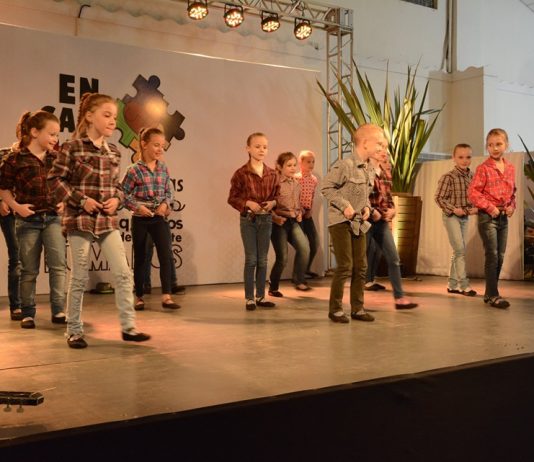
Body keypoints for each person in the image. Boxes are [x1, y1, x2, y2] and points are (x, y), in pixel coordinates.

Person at [47, 92, 150, 348]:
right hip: (80, 219)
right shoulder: (72, 148)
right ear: (90, 116)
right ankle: (74, 330)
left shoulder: (114, 151)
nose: (112, 121)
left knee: (123, 273)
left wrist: (117, 199)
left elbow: (118, 187)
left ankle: (129, 328)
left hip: (106, 220)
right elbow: (55, 180)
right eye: (107, 115)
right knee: (79, 276)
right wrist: (81, 200)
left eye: (114, 116)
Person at [0, 111, 67, 329]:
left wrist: (64, 202)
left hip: (53, 218)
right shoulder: (15, 159)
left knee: (58, 265)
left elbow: (67, 184)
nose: (55, 139)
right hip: (28, 222)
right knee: (28, 269)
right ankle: (27, 312)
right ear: (35, 132)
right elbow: (4, 188)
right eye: (52, 134)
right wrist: (16, 207)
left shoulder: (57, 158)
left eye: (57, 135)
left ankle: (59, 309)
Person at [321, 123, 380, 323]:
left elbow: (365, 196)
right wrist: (345, 205)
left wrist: (367, 208)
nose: (381, 148)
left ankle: (357, 308)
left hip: (358, 223)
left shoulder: (369, 169)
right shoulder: (345, 165)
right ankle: (335, 309)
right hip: (340, 222)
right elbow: (326, 187)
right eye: (378, 143)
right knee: (345, 265)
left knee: (361, 266)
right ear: (365, 143)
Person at [121, 127, 179, 311]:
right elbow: (123, 194)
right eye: (156, 145)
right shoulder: (133, 170)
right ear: (144, 144)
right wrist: (138, 207)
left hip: (159, 218)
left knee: (165, 255)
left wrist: (166, 204)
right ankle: (139, 296)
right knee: (141, 257)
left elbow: (169, 191)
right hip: (141, 219)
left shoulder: (163, 168)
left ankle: (167, 296)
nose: (160, 149)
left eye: (162, 145)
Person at [228, 132, 279, 311]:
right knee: (251, 259)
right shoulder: (241, 173)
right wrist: (247, 203)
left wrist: (273, 203)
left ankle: (261, 296)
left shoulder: (272, 174)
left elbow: (278, 196)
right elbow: (232, 198)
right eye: (257, 146)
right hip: (249, 220)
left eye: (265, 147)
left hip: (266, 219)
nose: (261, 150)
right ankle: (249, 298)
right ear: (248, 149)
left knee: (263, 259)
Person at [468, 128, 516, 309]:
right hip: (487, 217)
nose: (494, 148)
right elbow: (473, 193)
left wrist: (511, 206)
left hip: (503, 218)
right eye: (490, 145)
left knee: (500, 256)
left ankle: (489, 293)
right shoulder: (483, 168)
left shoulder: (510, 168)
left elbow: (512, 193)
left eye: (498, 144)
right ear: (486, 147)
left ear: (506, 145)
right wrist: (490, 208)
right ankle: (494, 295)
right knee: (492, 255)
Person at [366, 152, 418, 309]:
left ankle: (399, 298)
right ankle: (357, 303)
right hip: (365, 221)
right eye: (380, 152)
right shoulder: (363, 171)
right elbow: (359, 196)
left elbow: (388, 197)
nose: (385, 158)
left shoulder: (386, 175)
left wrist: (393, 210)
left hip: (381, 222)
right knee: (360, 261)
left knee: (394, 258)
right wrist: (371, 210)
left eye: (387, 157)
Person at [435, 143, 478, 296]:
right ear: (454, 158)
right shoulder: (448, 177)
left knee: (458, 250)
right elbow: (439, 198)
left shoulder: (473, 177)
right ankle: (463, 285)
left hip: (465, 217)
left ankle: (452, 284)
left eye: (468, 157)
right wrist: (454, 209)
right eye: (460, 157)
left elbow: (474, 197)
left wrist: (475, 208)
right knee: (460, 249)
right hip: (451, 217)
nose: (465, 160)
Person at [268, 152, 311, 297]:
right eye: (289, 165)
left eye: (294, 165)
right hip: (279, 223)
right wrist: (276, 217)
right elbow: (268, 205)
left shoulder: (297, 183)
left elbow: (297, 204)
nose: (293, 168)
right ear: (280, 167)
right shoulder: (275, 183)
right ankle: (273, 286)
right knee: (283, 258)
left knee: (304, 248)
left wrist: (299, 212)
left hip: (293, 222)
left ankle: (298, 279)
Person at [0, 147, 22, 321]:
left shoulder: (36, 156)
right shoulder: (5, 153)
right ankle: (16, 305)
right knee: (16, 257)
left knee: (18, 257)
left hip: (18, 211)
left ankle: (18, 305)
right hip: (6, 208)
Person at [295, 150, 320, 279]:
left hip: (307, 215)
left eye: (313, 162)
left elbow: (312, 196)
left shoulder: (314, 180)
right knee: (302, 246)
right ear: (301, 162)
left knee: (314, 243)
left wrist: (310, 210)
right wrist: (299, 209)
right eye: (308, 162)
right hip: (298, 214)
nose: (311, 164)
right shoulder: (296, 178)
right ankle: (297, 274)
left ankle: (306, 269)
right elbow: (293, 196)